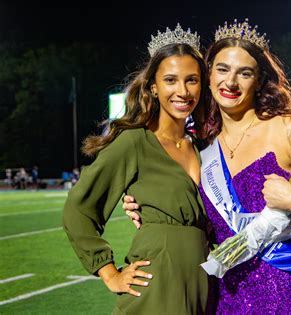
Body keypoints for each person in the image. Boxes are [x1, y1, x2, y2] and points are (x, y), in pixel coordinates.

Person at [124, 19, 291, 314]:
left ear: (260, 80)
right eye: (222, 69)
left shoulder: (288, 129)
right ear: (208, 75)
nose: (231, 82)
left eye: (244, 73)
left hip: (290, 287)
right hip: (227, 287)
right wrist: (144, 203)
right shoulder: (201, 145)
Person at [62, 24, 210, 314]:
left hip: (203, 282)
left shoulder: (203, 147)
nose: (182, 91)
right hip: (155, 282)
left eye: (191, 80)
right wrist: (110, 273)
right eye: (170, 80)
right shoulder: (134, 142)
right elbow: (78, 210)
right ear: (153, 86)